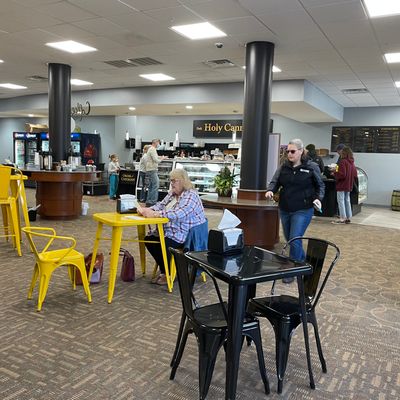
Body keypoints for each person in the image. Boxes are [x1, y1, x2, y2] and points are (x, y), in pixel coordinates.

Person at [265, 138, 325, 280]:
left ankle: (292, 271)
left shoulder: (311, 166)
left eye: (292, 151)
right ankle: (303, 262)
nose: (289, 154)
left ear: (301, 151)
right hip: (285, 208)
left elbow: (320, 185)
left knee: (294, 238)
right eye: (288, 152)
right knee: (289, 238)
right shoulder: (284, 166)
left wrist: (318, 198)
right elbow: (275, 181)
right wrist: (270, 190)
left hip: (303, 209)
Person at [138, 168, 206, 285]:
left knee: (165, 244)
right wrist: (147, 210)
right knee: (149, 240)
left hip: (186, 234)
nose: (172, 183)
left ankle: (168, 273)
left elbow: (180, 214)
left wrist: (156, 214)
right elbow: (161, 205)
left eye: (175, 181)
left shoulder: (191, 196)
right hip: (170, 230)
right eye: (171, 181)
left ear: (183, 181)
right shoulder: (172, 194)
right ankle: (165, 269)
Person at [332, 146, 357, 224]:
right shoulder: (352, 162)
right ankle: (348, 217)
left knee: (341, 201)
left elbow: (342, 174)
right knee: (347, 200)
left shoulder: (343, 161)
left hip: (342, 184)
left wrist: (334, 173)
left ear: (344, 153)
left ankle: (342, 218)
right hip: (349, 184)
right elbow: (355, 174)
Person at [145, 138, 165, 206]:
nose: (159, 144)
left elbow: (154, 157)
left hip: (149, 169)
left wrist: (161, 157)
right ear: (155, 142)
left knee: (151, 186)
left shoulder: (151, 149)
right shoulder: (152, 149)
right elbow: (156, 160)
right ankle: (153, 202)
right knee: (155, 186)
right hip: (152, 170)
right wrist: (162, 159)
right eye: (158, 143)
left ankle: (148, 201)